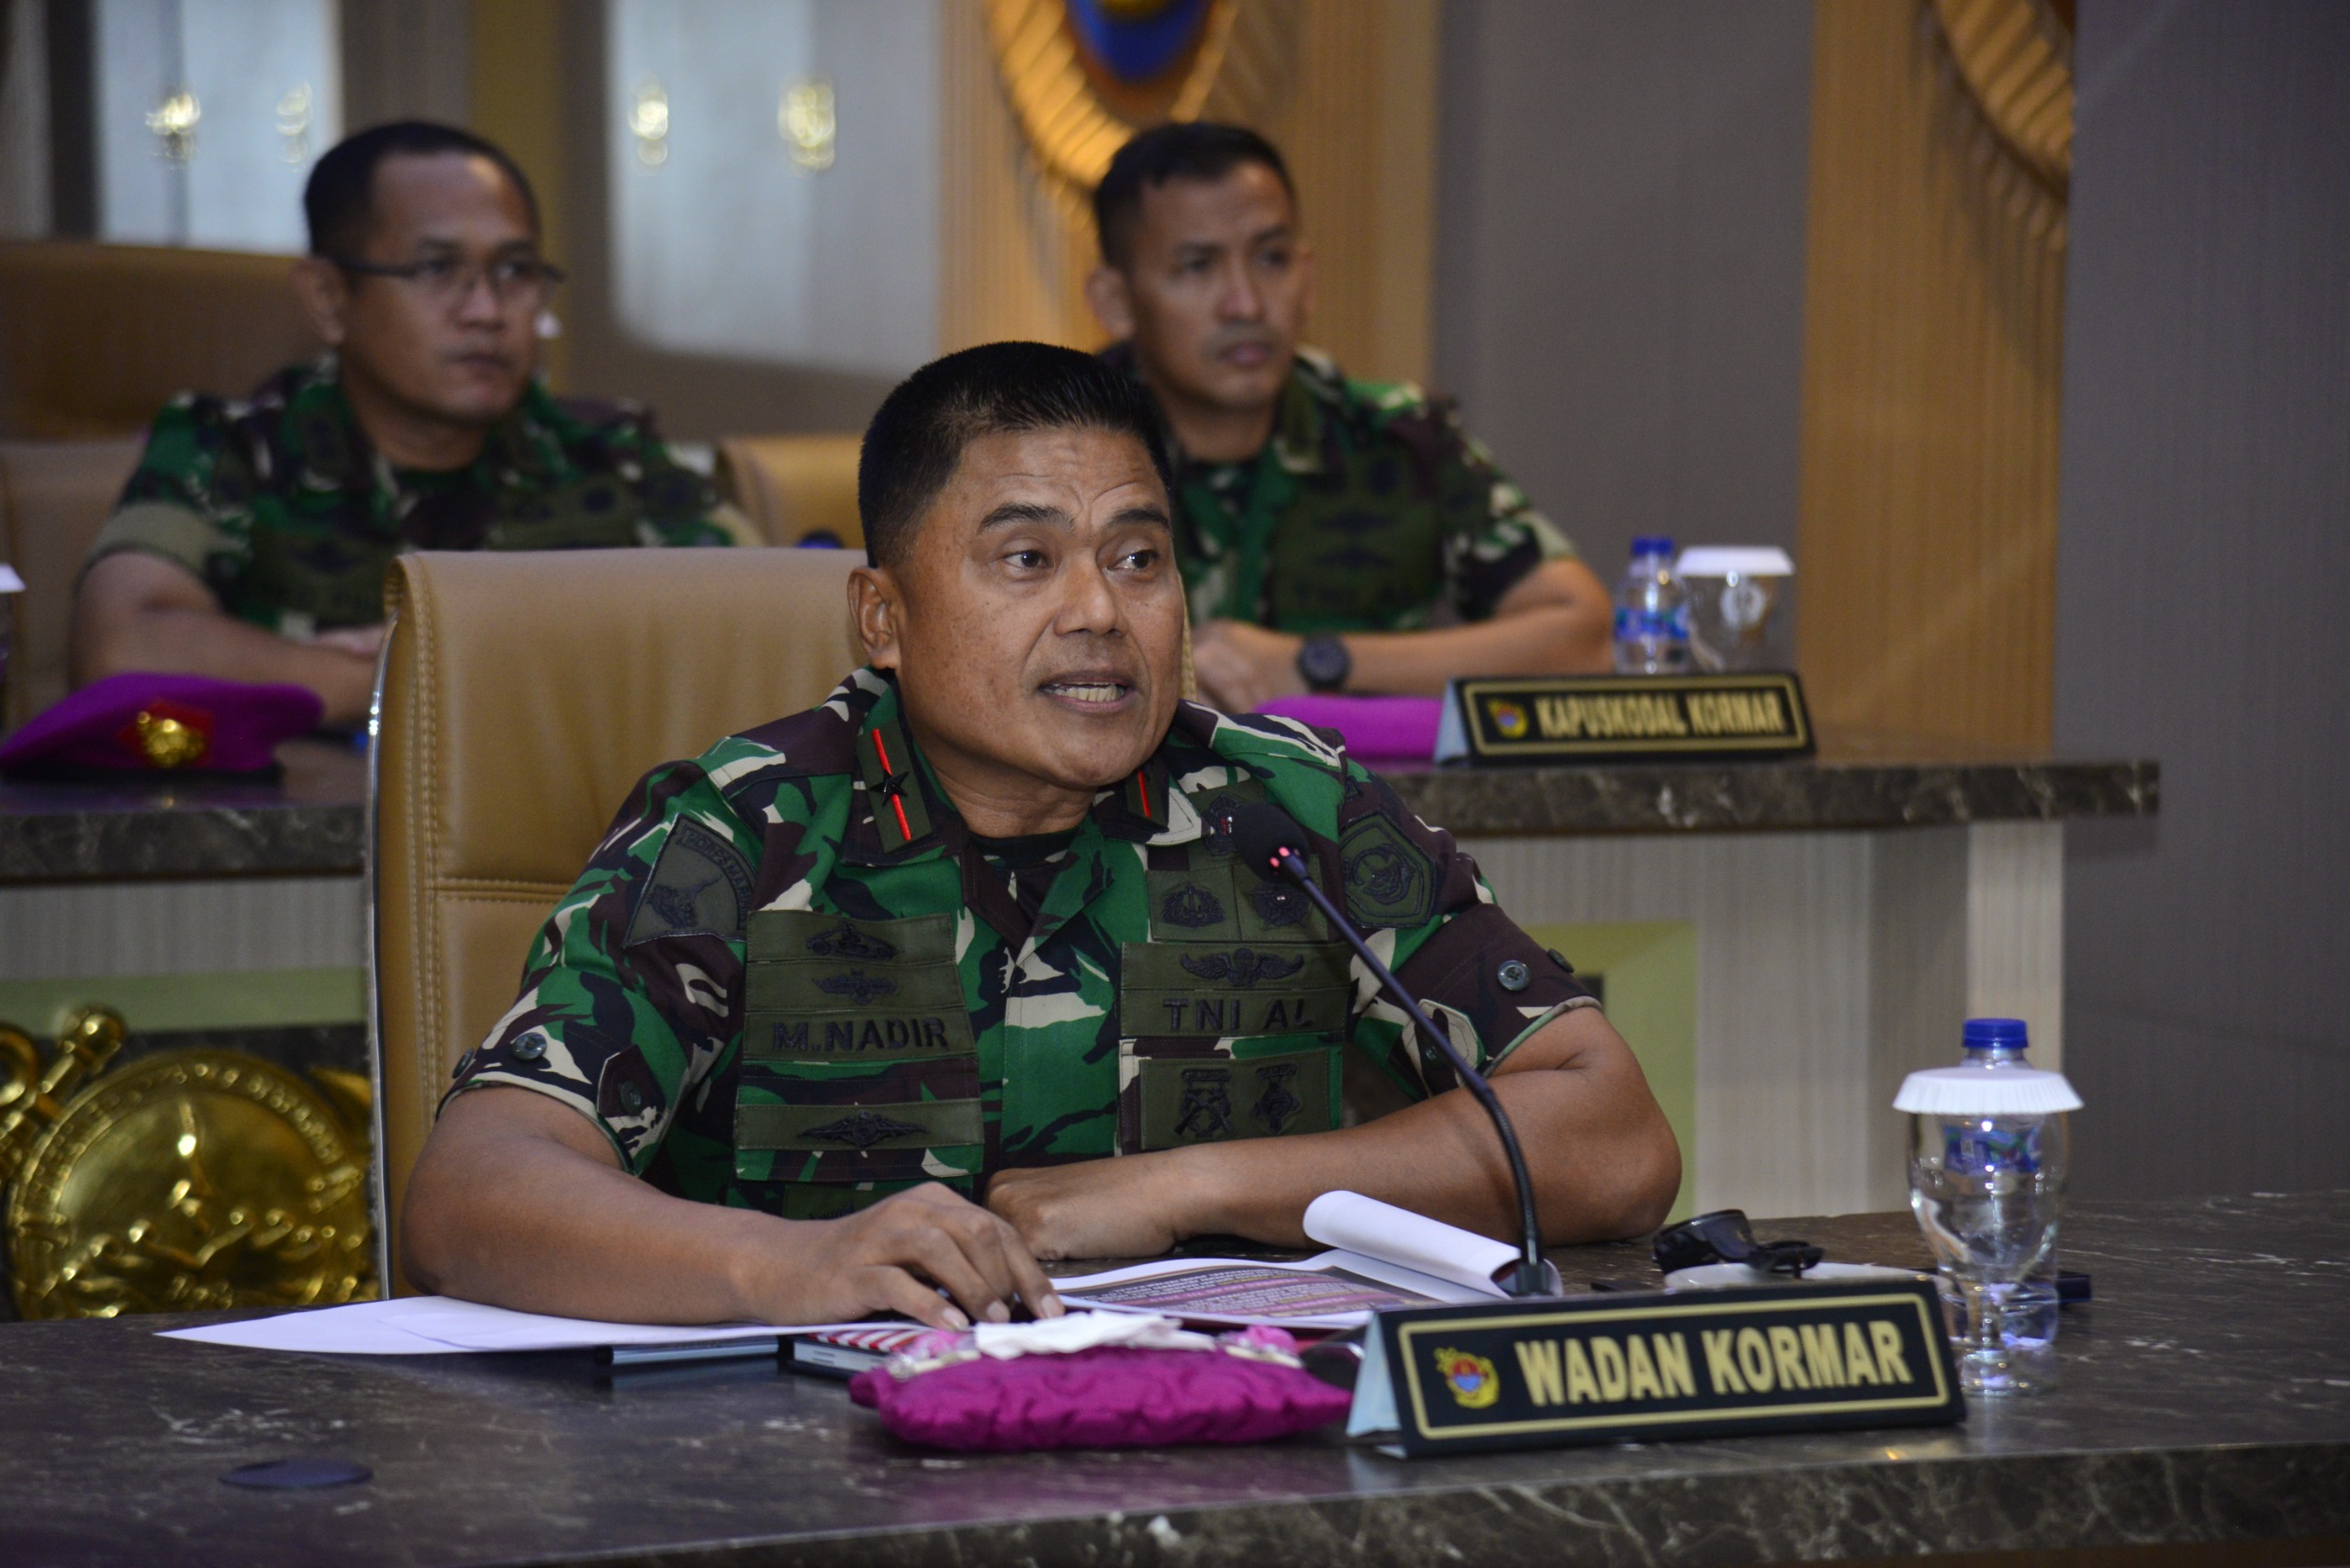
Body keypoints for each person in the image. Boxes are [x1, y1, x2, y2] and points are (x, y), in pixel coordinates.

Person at [400, 342, 1679, 1329]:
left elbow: (1611, 1139)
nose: (1100, 613)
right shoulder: (745, 834)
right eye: (1026, 559)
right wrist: (792, 1264)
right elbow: (474, 1188)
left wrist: (1194, 1186)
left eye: (1138, 559)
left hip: (1220, 1445)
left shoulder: (1289, 810)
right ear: (883, 617)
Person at [71, 121, 745, 729]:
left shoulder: (610, 449)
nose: (486, 310)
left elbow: (774, 626)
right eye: (436, 268)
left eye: (515, 270)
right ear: (329, 298)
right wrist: (439, 685)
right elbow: (119, 648)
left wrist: (343, 676)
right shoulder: (232, 447)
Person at [1085, 123, 1613, 712]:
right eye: (1197, 267)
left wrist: (1316, 663)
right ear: (1116, 302)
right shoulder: (1060, 450)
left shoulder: (1399, 437)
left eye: (1272, 258)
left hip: (1356, 776)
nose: (1246, 304)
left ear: (1307, 279)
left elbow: (1586, 636)